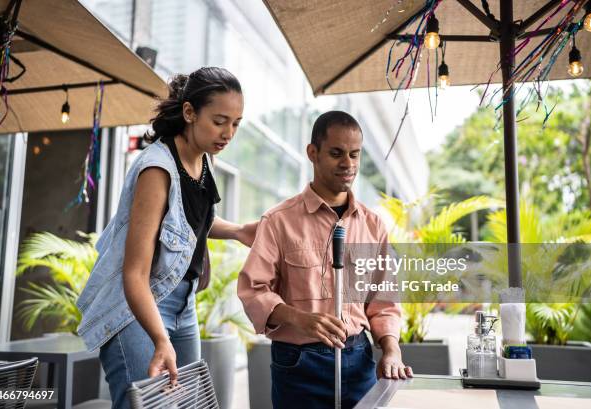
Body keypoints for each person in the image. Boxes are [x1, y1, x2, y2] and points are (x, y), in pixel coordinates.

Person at [77, 67, 257, 409]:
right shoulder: (157, 170)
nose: (228, 133)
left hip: (183, 304)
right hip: (138, 307)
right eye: (220, 121)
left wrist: (237, 232)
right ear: (189, 112)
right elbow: (134, 274)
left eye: (236, 123)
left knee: (189, 404)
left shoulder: (204, 161)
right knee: (149, 405)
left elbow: (184, 222)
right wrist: (160, 338)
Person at [238, 110, 413, 409]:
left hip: (359, 361)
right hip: (297, 365)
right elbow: (253, 289)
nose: (348, 164)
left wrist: (391, 350)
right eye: (336, 153)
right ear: (312, 153)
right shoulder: (278, 221)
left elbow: (383, 302)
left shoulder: (373, 226)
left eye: (354, 154)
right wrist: (299, 318)